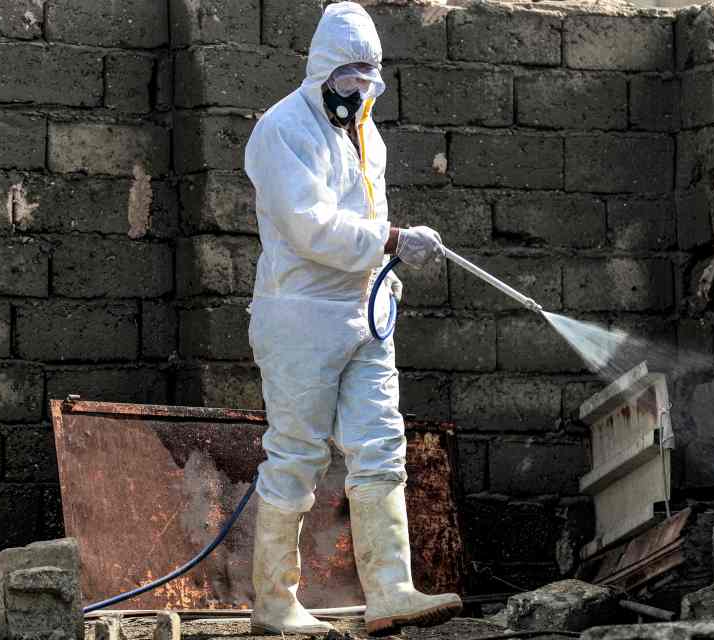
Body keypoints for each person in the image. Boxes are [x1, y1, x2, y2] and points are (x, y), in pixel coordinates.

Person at [242, 2, 461, 635]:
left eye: (369, 77)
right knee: (296, 455)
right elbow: (307, 226)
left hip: (365, 314)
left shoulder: (369, 137)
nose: (359, 89)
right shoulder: (283, 129)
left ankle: (391, 590)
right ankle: (275, 602)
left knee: (381, 445)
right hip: (301, 317)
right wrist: (393, 240)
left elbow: (366, 217)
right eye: (348, 76)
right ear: (321, 72)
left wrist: (387, 264)